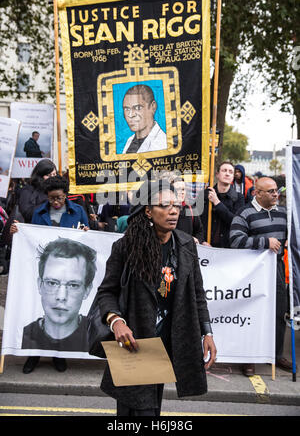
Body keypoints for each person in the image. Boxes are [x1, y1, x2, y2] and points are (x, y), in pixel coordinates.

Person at [97, 179, 217, 416]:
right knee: (135, 409)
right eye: (164, 206)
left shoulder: (185, 245)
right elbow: (106, 292)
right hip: (135, 341)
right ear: (148, 211)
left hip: (168, 341)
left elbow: (197, 293)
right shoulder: (126, 247)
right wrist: (116, 321)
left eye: (176, 206)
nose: (173, 211)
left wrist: (207, 332)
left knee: (150, 406)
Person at [11, 175, 90, 373]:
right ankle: (33, 355)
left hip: (70, 269)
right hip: (48, 268)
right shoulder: (39, 212)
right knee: (39, 310)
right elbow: (31, 237)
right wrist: (17, 230)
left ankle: (58, 355)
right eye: (52, 198)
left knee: (60, 315)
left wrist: (89, 231)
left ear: (66, 196)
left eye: (59, 198)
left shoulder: (78, 211)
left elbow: (90, 235)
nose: (55, 202)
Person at [229, 176, 293, 376]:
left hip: (276, 271)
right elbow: (235, 240)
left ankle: (275, 354)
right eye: (271, 191)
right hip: (253, 272)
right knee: (252, 314)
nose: (276, 194)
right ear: (257, 193)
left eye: (277, 191)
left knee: (278, 313)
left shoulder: (283, 213)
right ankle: (249, 358)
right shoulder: (245, 213)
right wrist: (265, 242)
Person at [22, 238, 96, 352]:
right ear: (40, 284)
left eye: (73, 285)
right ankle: (33, 359)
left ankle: (59, 359)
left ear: (87, 290)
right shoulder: (21, 336)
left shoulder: (94, 335)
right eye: (52, 283)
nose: (61, 297)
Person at [201, 161, 245, 247]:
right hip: (206, 246)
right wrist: (201, 241)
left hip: (227, 247)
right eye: (224, 170)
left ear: (233, 177)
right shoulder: (204, 194)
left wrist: (217, 202)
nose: (227, 174)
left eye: (230, 172)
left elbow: (236, 222)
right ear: (217, 174)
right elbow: (196, 222)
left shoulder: (239, 198)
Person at [122, 84, 167, 154]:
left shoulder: (163, 143)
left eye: (138, 108)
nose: (130, 115)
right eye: (127, 109)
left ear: (153, 107)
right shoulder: (129, 141)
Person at [172, 176, 209, 245]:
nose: (181, 192)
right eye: (177, 189)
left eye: (183, 189)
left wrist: (198, 241)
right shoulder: (165, 210)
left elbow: (199, 231)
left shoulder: (191, 209)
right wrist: (188, 238)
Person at [18, 159, 57, 223]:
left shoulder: (58, 189)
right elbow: (27, 213)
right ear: (40, 175)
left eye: (54, 174)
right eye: (48, 175)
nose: (52, 178)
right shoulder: (28, 190)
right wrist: (48, 203)